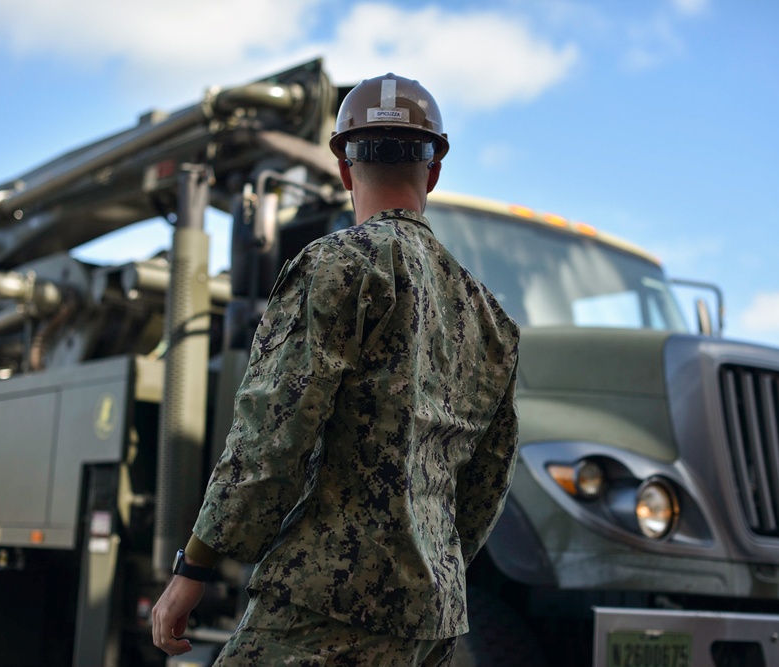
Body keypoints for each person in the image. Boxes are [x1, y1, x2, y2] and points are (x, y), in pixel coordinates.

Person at [153, 73, 520, 666]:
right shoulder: (491, 318)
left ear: (346, 169)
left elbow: (271, 437)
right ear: (434, 170)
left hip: (325, 605)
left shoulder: (336, 266)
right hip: (431, 620)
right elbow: (487, 482)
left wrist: (194, 567)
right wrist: (432, 572)